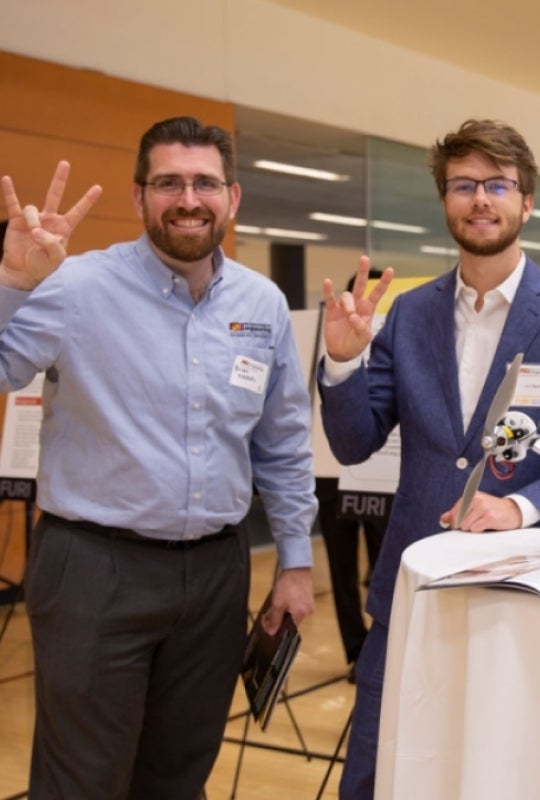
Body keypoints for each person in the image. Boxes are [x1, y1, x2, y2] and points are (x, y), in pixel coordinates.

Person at [319, 118, 540, 798]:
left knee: (493, 778)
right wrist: (342, 365)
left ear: (526, 202)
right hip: (412, 592)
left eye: (498, 184)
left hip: (519, 597)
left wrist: (520, 507)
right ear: (444, 201)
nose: (480, 200)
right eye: (463, 185)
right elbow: (353, 443)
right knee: (376, 779)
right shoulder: (408, 315)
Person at [1, 117, 317, 799]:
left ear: (232, 198)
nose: (187, 198)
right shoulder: (71, 285)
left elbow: (283, 442)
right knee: (82, 782)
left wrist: (294, 560)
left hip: (214, 575)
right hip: (93, 568)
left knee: (179, 776)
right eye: (168, 182)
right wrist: (12, 284)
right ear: (139, 195)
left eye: (205, 182)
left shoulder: (261, 304)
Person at [315, 475, 384, 666]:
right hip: (331, 480)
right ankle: (356, 653)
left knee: (385, 572)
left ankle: (383, 648)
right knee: (341, 572)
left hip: (380, 479)